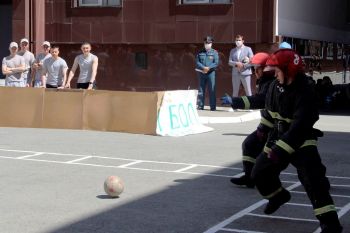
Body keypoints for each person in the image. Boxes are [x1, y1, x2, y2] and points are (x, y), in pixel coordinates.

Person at [251, 49, 342, 232]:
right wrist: (263, 131)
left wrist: (279, 150)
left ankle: (330, 224)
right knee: (259, 173)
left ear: (288, 71)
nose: (274, 74)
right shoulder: (275, 87)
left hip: (302, 142)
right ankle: (278, 196)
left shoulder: (306, 92)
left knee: (313, 181)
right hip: (278, 138)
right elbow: (267, 108)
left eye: (277, 70)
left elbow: (300, 127)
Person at [221, 52, 275, 187]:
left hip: (280, 129)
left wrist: (235, 101)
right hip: (269, 126)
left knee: (295, 158)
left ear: (264, 69)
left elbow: (259, 101)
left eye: (255, 68)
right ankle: (249, 177)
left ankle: (319, 182)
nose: (253, 71)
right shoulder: (264, 82)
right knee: (250, 144)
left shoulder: (270, 84)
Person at [195, 36, 219, 111]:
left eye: (209, 43)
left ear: (211, 43)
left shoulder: (214, 52)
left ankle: (213, 107)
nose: (207, 44)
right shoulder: (200, 52)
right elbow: (197, 62)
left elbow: (216, 63)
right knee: (201, 90)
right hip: (202, 73)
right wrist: (203, 68)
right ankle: (200, 106)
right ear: (204, 43)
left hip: (211, 73)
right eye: (206, 43)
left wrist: (208, 68)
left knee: (212, 90)